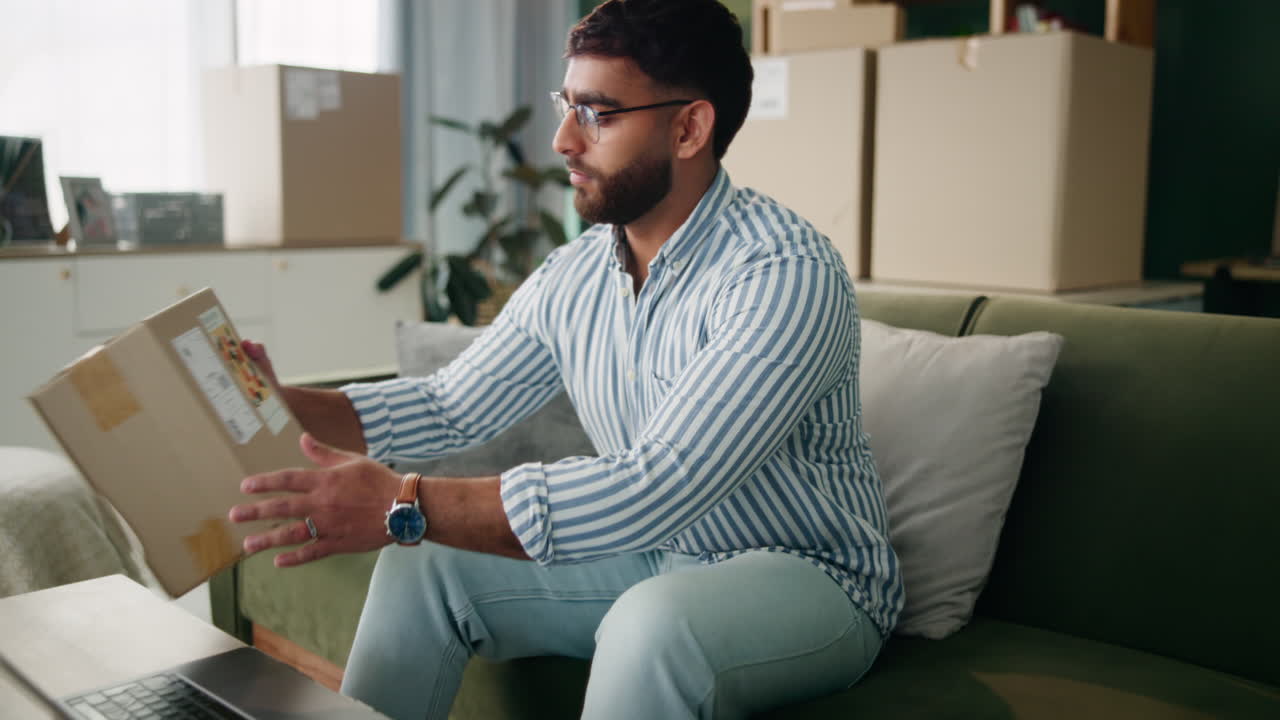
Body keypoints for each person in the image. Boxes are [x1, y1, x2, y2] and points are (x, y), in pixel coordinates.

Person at [228, 1, 903, 718]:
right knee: (418, 564)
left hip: (812, 579)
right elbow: (448, 405)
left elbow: (660, 484)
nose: (560, 140)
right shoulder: (575, 274)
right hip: (657, 555)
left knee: (653, 625)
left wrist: (407, 502)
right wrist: (275, 400)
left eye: (597, 113)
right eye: (566, 105)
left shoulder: (783, 271)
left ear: (689, 127)